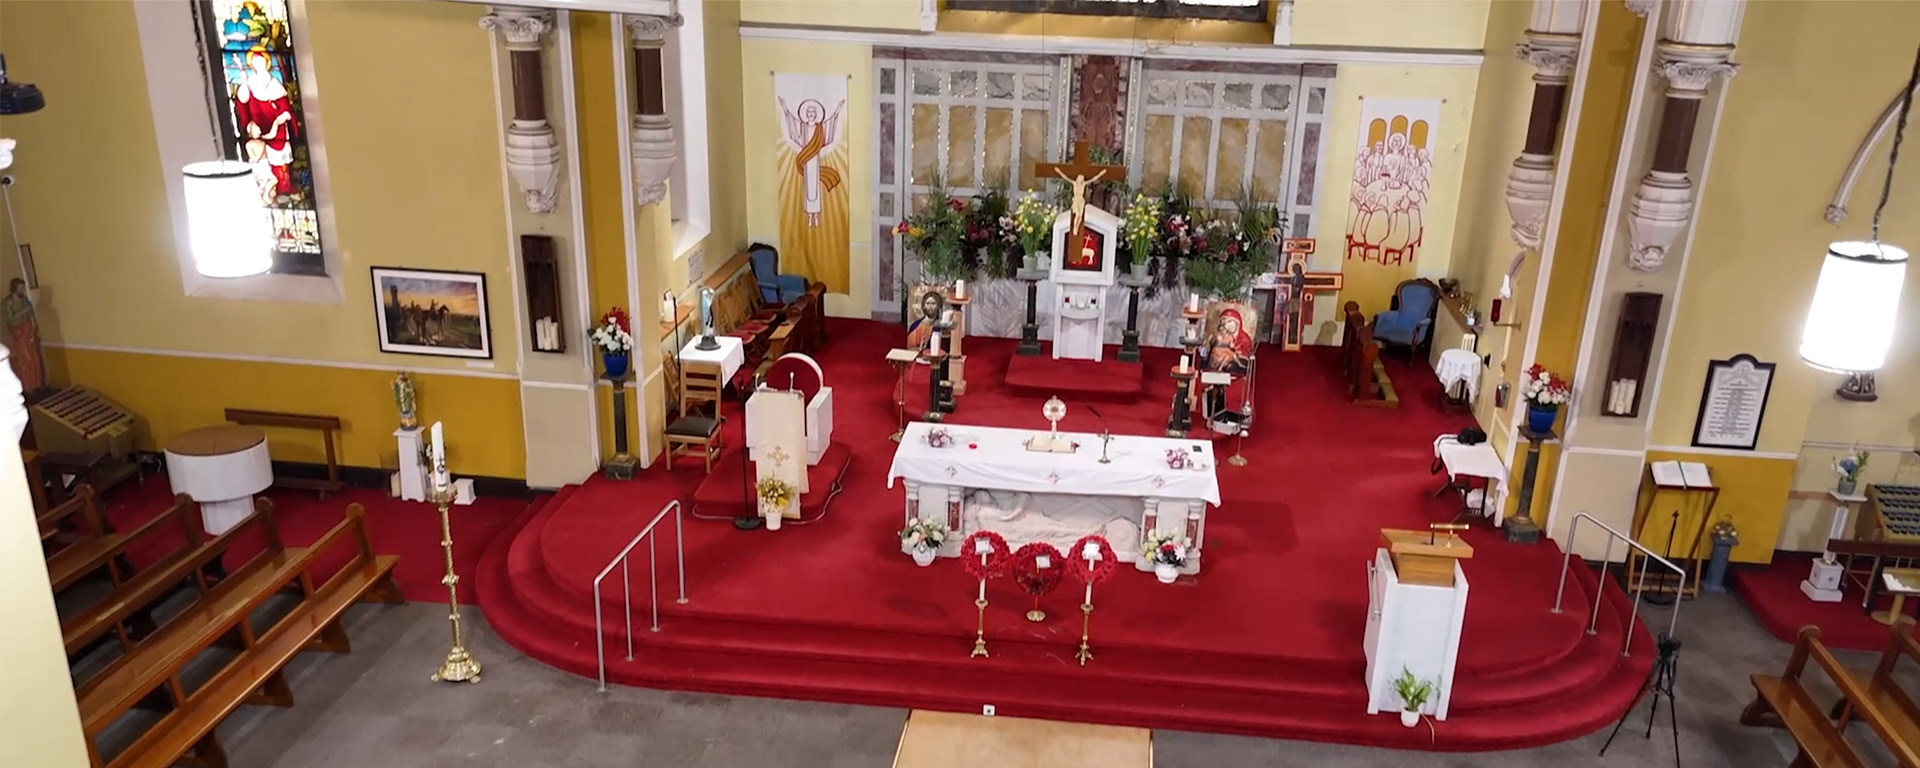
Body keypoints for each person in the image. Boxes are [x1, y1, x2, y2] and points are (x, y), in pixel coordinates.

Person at [235, 50, 298, 198]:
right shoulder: (250, 82)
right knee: (265, 159)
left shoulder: (275, 83)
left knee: (280, 153)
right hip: (259, 125)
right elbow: (242, 101)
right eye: (256, 62)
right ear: (253, 65)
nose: (259, 64)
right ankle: (268, 189)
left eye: (262, 61)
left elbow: (284, 104)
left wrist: (284, 115)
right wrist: (244, 86)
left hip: (277, 126)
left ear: (267, 63)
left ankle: (284, 185)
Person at [780, 97, 846, 227]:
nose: (810, 115)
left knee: (815, 188)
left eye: (813, 113)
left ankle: (816, 215)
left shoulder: (820, 128)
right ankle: (809, 216)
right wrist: (785, 109)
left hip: (814, 161)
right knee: (808, 189)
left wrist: (838, 109)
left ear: (816, 115)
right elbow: (794, 130)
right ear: (806, 114)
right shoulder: (803, 128)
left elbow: (830, 125)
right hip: (806, 161)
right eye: (809, 113)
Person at [4, 278, 44, 394]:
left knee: (34, 357)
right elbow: (10, 319)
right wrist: (23, 311)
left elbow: (31, 314)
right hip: (18, 334)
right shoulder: (7, 303)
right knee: (25, 359)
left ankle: (37, 383)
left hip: (28, 332)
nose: (23, 291)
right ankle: (27, 386)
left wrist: (34, 326)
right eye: (20, 288)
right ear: (14, 288)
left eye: (23, 288)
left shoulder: (24, 300)